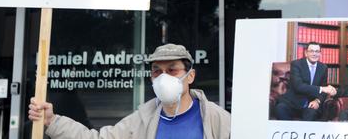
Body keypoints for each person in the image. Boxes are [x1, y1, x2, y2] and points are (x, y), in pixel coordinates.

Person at [28, 43, 231, 138]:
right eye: (157, 71)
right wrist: (52, 121)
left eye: (172, 70)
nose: (163, 77)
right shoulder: (142, 119)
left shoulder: (216, 119)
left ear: (191, 76)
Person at [274, 42, 336, 121]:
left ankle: (303, 133)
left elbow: (323, 90)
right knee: (280, 109)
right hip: (292, 102)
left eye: (317, 51)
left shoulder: (323, 67)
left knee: (312, 114)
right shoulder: (296, 64)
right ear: (306, 53)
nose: (314, 54)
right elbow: (298, 86)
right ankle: (291, 132)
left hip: (311, 103)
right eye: (311, 51)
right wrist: (321, 89)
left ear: (320, 53)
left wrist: (317, 101)